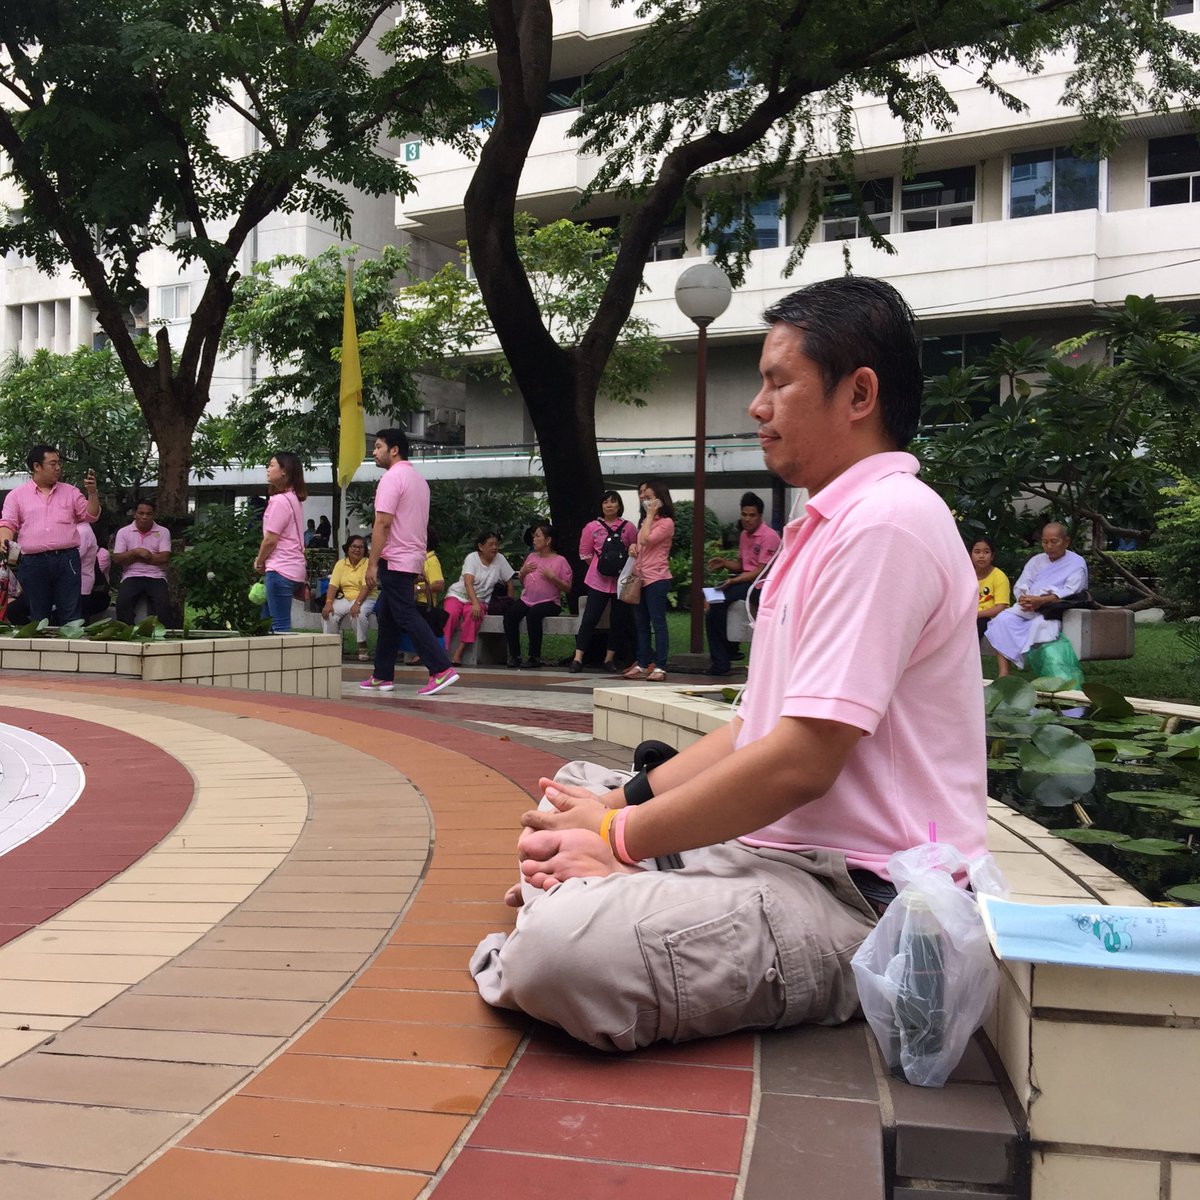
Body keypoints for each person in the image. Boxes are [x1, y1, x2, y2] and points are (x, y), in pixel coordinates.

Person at [470, 276, 988, 1052]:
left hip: (862, 898)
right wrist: (618, 803)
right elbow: (753, 731)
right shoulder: (825, 524)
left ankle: (591, 899)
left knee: (561, 949)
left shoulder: (888, 524)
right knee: (573, 785)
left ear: (859, 393)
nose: (757, 405)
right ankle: (609, 887)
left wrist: (618, 838)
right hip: (767, 850)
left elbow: (800, 763)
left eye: (779, 382)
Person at [360, 429, 459, 696]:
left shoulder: (392, 478)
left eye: (378, 446)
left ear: (394, 450)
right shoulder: (419, 480)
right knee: (387, 614)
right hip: (412, 556)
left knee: (404, 613)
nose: (374, 452)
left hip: (394, 558)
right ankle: (382, 674)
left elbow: (383, 522)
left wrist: (372, 564)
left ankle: (441, 668)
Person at [0, 444, 100, 624]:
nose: (58, 468)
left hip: (67, 559)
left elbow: (91, 516)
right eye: (53, 464)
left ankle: (71, 641)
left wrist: (92, 493)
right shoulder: (16, 496)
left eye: (59, 463)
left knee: (70, 613)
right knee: (38, 615)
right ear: (37, 466)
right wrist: (4, 541)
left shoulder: (71, 492)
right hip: (33, 561)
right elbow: (8, 523)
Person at [983, 522, 1087, 676]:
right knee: (1002, 620)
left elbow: (1072, 591)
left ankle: (1054, 673)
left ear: (1066, 541)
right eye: (1045, 542)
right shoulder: (1037, 561)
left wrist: (1041, 601)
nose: (1049, 547)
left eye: (1054, 542)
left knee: (1042, 628)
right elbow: (1021, 584)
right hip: (1028, 608)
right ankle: (1004, 674)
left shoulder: (1076, 563)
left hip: (1052, 611)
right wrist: (1024, 599)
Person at [704, 491, 782, 676]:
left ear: (760, 516)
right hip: (744, 583)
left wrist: (733, 580)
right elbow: (742, 565)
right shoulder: (744, 535)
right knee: (712, 604)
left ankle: (728, 652)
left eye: (752, 515)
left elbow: (761, 571)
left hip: (761, 586)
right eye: (744, 514)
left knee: (719, 600)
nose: (747, 519)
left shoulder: (769, 536)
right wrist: (724, 563)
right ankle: (724, 657)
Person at [568, 490, 637, 675]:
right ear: (601, 506)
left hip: (621, 582)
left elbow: (635, 550)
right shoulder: (591, 527)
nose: (609, 505)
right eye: (606, 502)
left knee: (618, 621)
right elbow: (585, 553)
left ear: (619, 505)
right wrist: (601, 566)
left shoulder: (629, 527)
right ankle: (578, 658)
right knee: (589, 619)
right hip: (597, 581)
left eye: (613, 502)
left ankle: (609, 659)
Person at [623, 480, 674, 682]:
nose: (645, 500)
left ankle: (660, 666)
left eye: (650, 497)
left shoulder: (666, 523)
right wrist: (632, 547)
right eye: (643, 496)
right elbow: (640, 544)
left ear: (660, 500)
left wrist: (651, 515)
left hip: (657, 578)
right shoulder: (645, 521)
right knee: (642, 624)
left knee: (658, 623)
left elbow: (646, 539)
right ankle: (642, 663)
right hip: (640, 578)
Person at [442, 531, 516, 668]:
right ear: (481, 547)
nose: (495, 547)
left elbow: (509, 583)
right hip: (459, 595)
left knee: (473, 614)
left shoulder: (500, 559)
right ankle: (441, 649)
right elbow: (468, 583)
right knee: (450, 614)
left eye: (496, 544)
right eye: (491, 544)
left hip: (481, 599)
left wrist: (510, 604)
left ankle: (459, 652)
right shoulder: (472, 558)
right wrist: (474, 602)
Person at [253, 452, 308, 634]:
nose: (267, 469)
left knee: (280, 628)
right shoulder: (293, 498)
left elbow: (270, 540)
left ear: (284, 471)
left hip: (280, 569)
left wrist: (259, 561)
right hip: (294, 569)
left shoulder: (279, 501)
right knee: (265, 625)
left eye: (271, 465)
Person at [505, 521, 572, 668]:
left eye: (537, 536)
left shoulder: (560, 561)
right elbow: (524, 582)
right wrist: (523, 573)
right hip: (527, 599)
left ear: (548, 540)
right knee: (510, 615)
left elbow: (567, 588)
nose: (534, 539)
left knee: (534, 615)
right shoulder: (531, 557)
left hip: (550, 602)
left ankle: (534, 657)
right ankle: (515, 655)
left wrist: (553, 578)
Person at [113, 499, 173, 626]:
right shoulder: (124, 532)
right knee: (123, 604)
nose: (144, 517)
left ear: (153, 515)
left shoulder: (163, 532)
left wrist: (135, 557)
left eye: (148, 514)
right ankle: (127, 633)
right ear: (135, 514)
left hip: (156, 576)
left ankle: (163, 635)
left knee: (163, 606)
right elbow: (117, 559)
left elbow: (164, 558)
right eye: (141, 513)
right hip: (132, 575)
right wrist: (136, 552)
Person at [322, 534, 377, 661]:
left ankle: (362, 645)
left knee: (358, 613)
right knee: (328, 613)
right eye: (354, 546)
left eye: (361, 547)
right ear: (347, 548)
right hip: (346, 598)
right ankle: (330, 647)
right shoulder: (341, 564)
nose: (357, 550)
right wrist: (328, 602)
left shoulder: (368, 563)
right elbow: (333, 585)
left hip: (366, 597)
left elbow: (366, 586)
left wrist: (357, 603)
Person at [971, 536, 1010, 640]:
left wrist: (977, 615)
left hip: (989, 619)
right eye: (977, 552)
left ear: (992, 556)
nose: (981, 556)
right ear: (970, 555)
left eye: (986, 552)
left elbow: (1001, 607)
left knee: (978, 625)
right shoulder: (966, 575)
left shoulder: (999, 576)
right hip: (969, 616)